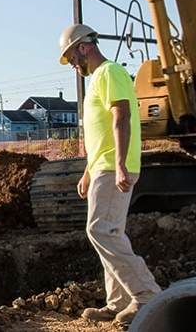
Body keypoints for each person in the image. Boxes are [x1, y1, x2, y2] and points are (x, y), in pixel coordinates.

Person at [58, 24, 161, 325]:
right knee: (109, 232)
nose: (72, 64)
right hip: (101, 166)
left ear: (83, 47)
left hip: (113, 166)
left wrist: (118, 165)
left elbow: (121, 116)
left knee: (100, 230)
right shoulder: (97, 80)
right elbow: (100, 133)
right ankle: (117, 302)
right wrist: (88, 171)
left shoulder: (110, 72)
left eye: (71, 57)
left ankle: (145, 295)